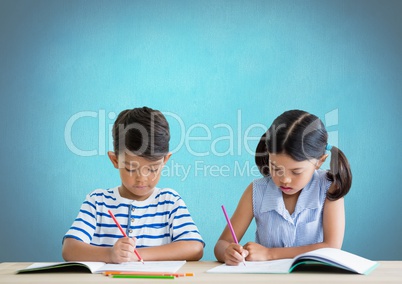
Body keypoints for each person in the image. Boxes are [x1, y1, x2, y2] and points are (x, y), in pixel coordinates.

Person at [62, 106, 204, 263]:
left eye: (152, 169)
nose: (142, 178)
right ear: (115, 160)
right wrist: (110, 255)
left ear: (165, 161)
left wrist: (136, 255)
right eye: (131, 168)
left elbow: (195, 248)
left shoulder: (169, 201)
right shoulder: (98, 201)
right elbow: (70, 249)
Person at [214, 109, 352, 265]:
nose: (285, 179)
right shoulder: (256, 191)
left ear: (320, 161)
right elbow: (221, 244)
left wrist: (269, 254)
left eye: (296, 171)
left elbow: (332, 247)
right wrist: (228, 252)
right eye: (276, 168)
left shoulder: (329, 188)